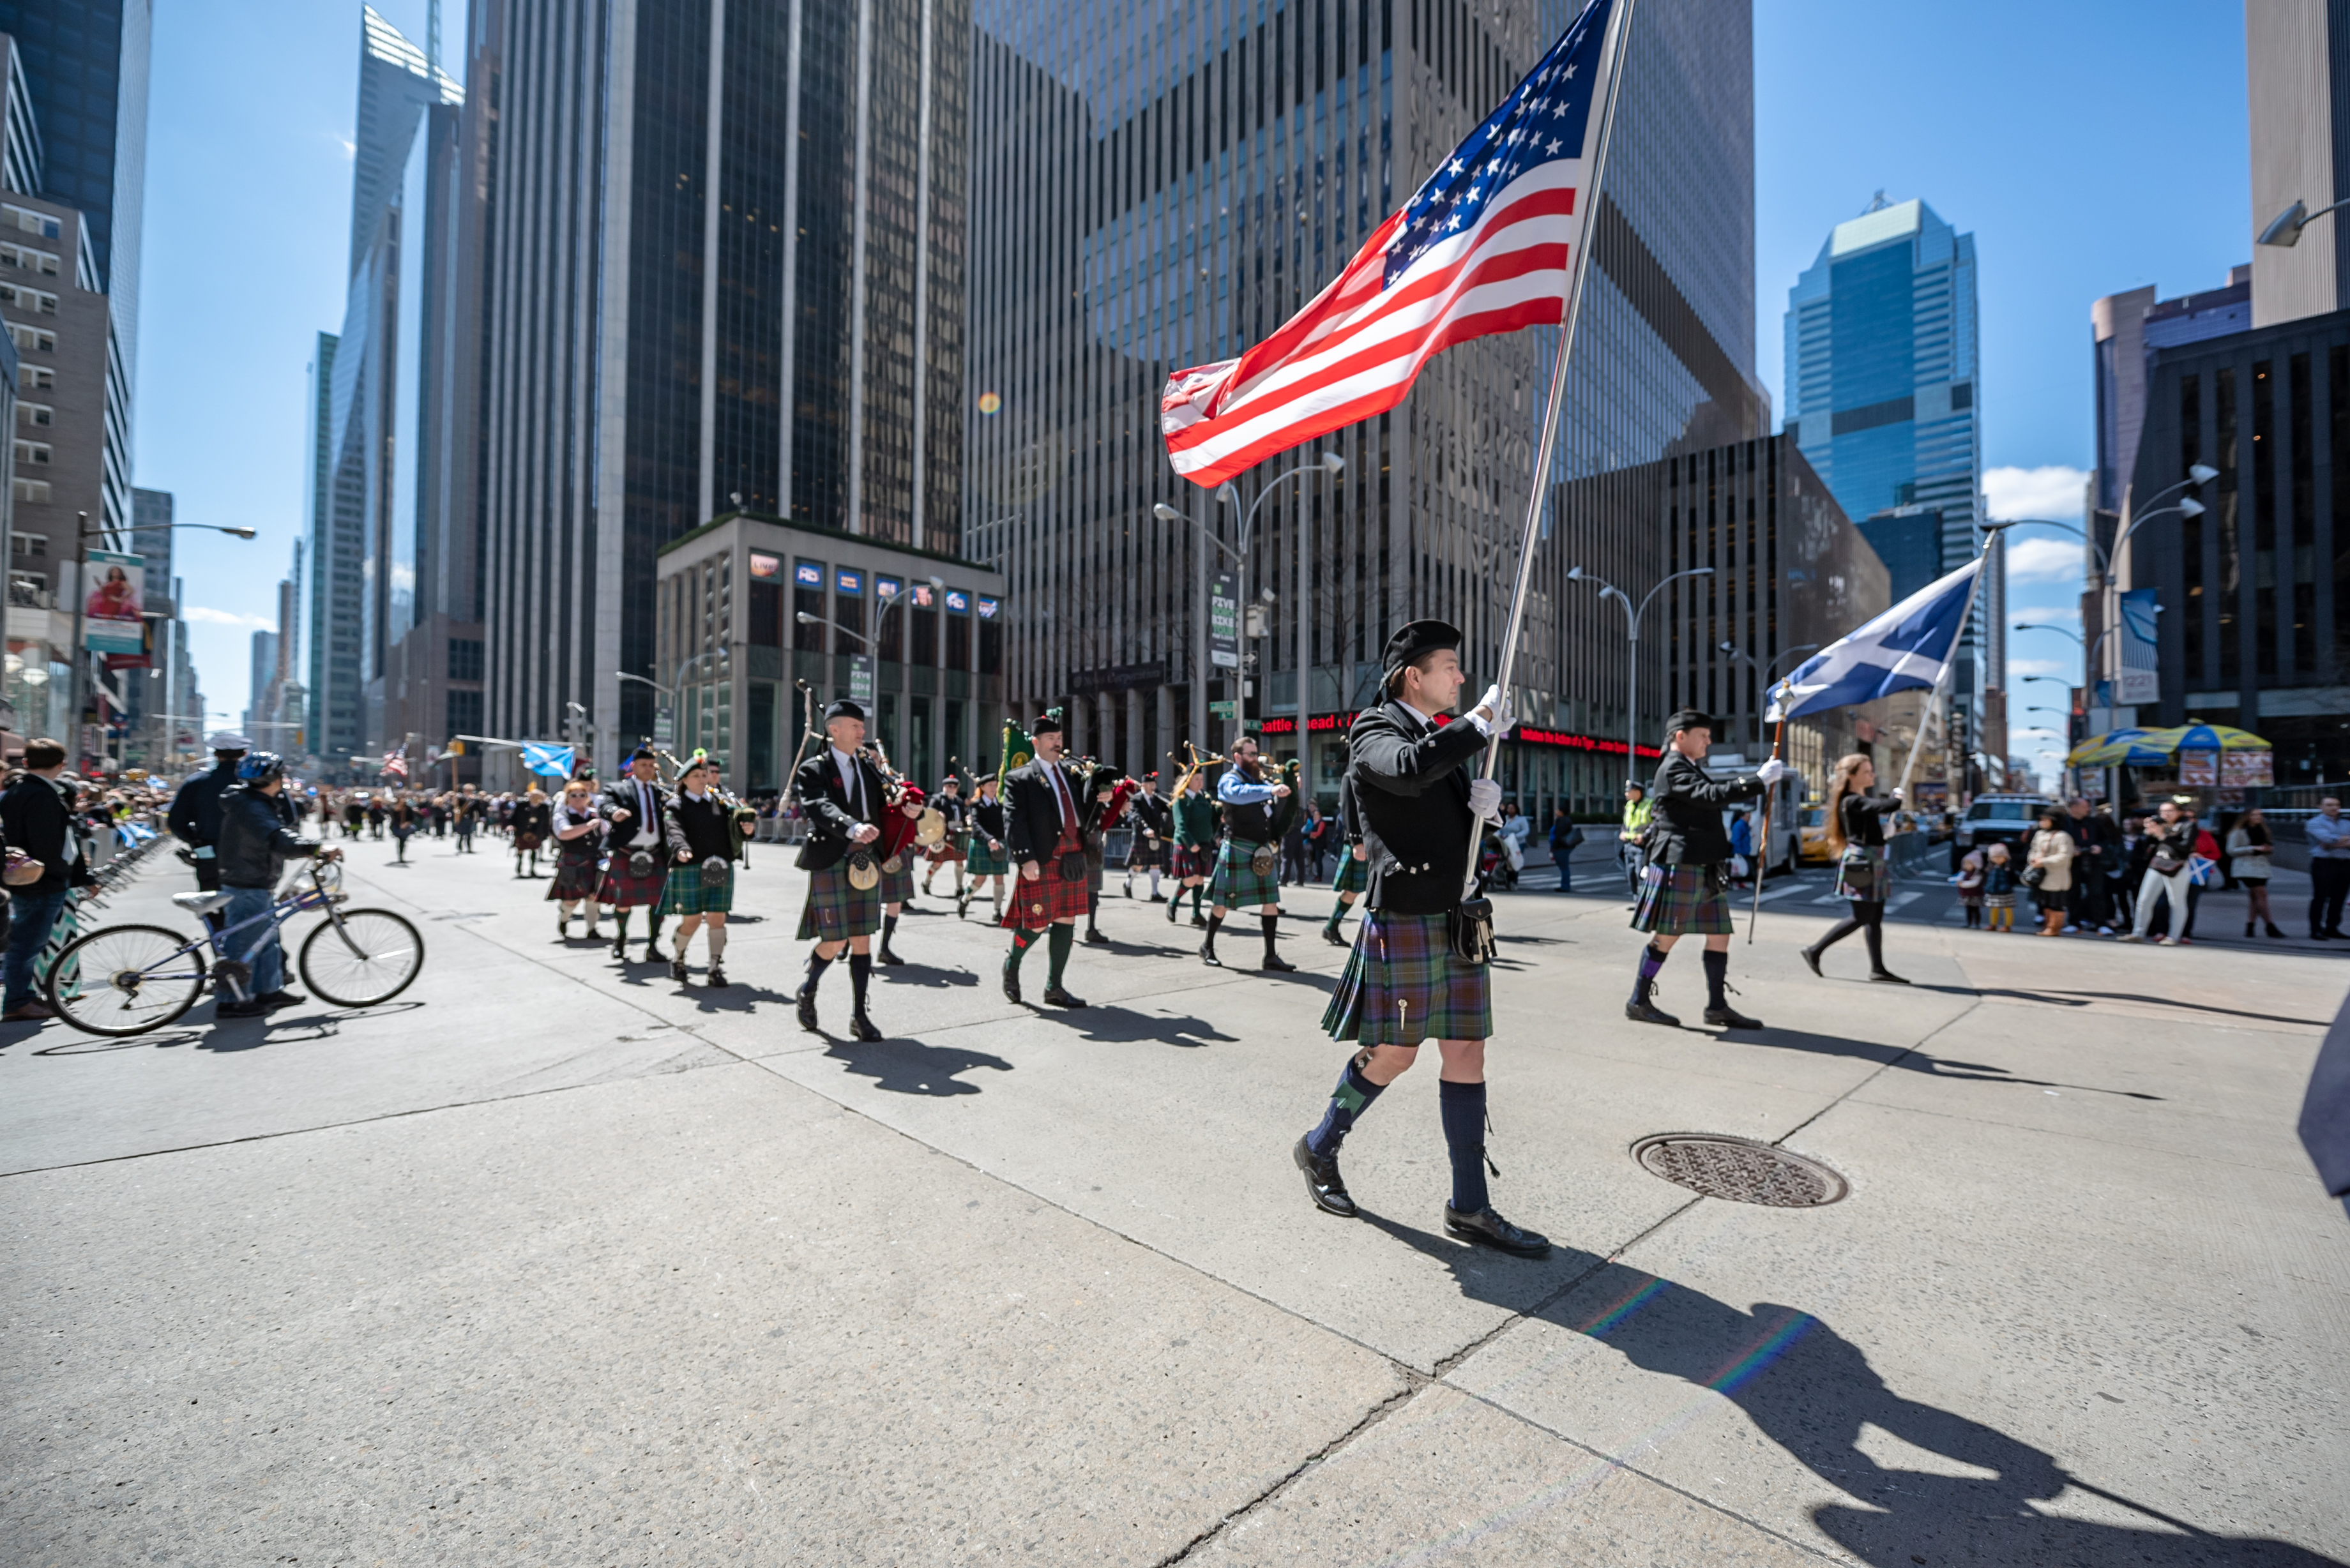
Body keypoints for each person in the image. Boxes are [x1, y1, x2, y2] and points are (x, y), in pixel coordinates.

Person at [1291, 617, 1548, 1256]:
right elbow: (1405, 773)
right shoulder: (1374, 728)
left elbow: (1433, 809)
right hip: (1406, 914)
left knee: (1467, 1053)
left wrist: (1477, 810)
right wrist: (1478, 724)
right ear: (1415, 675)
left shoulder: (1438, 735)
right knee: (1395, 1054)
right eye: (1450, 667)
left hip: (1456, 914)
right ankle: (1318, 1145)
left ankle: (1469, 1206)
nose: (1460, 677)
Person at [1625, 712, 1790, 1029]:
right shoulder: (1673, 767)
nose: (1709, 741)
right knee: (1668, 936)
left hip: (1702, 864)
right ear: (1680, 736)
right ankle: (1639, 1000)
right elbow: (1709, 797)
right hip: (1682, 862)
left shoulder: (1689, 766)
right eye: (1703, 735)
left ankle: (1717, 1007)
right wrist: (1757, 781)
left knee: (1720, 936)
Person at [1000, 709, 1119, 1007]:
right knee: (1037, 923)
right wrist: (1025, 858)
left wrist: (1101, 800)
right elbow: (1014, 821)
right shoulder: (1020, 778)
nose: (1057, 743)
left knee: (1067, 919)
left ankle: (1055, 987)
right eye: (1051, 738)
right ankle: (1012, 963)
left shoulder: (1071, 774)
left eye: (1060, 738)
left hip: (1073, 855)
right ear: (1036, 742)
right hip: (1042, 858)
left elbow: (1082, 813)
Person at [211, 751, 342, 1017]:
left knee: (267, 941)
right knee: (244, 943)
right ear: (274, 778)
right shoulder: (252, 806)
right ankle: (230, 1001)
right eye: (281, 775)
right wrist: (315, 849)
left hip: (256, 880)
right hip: (247, 882)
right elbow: (278, 838)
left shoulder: (255, 800)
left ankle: (269, 991)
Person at [792, 699, 890, 1039]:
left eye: (863, 726)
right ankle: (809, 987)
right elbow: (819, 805)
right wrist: (851, 826)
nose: (863, 732)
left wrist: (910, 810)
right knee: (835, 940)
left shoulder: (868, 768)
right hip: (833, 857)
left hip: (867, 860)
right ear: (834, 730)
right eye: (856, 726)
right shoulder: (813, 769)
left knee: (862, 937)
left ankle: (859, 1016)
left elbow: (884, 806)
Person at [0, 739, 93, 1021]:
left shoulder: (19, 792)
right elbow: (51, 844)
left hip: (27, 876)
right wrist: (67, 874)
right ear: (62, 764)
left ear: (26, 762)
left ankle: (23, 997)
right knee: (28, 943)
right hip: (42, 880)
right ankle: (18, 1000)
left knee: (26, 941)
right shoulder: (42, 795)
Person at [1798, 753, 1907, 983]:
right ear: (1852, 776)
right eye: (1867, 772)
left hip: (1872, 860)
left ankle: (1878, 968)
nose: (1872, 775)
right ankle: (1815, 950)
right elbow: (1882, 805)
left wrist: (1884, 832)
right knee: (1862, 915)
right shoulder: (1851, 800)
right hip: (1861, 863)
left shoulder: (1858, 799)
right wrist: (1896, 798)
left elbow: (1872, 815)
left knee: (1875, 918)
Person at [1201, 735, 1300, 972]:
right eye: (1251, 754)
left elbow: (1272, 808)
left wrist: (1287, 790)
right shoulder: (1229, 779)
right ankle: (1207, 946)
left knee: (1271, 902)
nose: (1257, 758)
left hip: (1261, 850)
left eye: (1257, 754)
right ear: (1237, 756)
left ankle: (1271, 956)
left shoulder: (1260, 781)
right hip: (1237, 847)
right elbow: (1237, 794)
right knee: (1222, 904)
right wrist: (1271, 789)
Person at [659, 753, 753, 986]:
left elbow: (735, 830)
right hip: (689, 867)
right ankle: (679, 958)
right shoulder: (675, 804)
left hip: (719, 867)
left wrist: (747, 829)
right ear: (684, 780)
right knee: (691, 921)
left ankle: (714, 967)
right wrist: (681, 849)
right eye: (697, 775)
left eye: (705, 775)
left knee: (717, 919)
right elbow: (674, 830)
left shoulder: (720, 803)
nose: (703, 779)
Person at [165, 731, 251, 936]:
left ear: (215, 753)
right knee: (251, 912)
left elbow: (176, 821)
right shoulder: (253, 784)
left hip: (209, 853)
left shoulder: (197, 782)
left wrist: (195, 841)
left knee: (214, 909)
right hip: (249, 857)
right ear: (243, 753)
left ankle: (222, 957)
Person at [598, 748, 675, 963]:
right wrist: (614, 812)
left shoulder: (662, 792)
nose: (648, 769)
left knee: (659, 903)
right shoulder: (617, 788)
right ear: (633, 767)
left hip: (655, 853)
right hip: (627, 853)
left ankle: (652, 946)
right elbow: (605, 805)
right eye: (644, 765)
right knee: (623, 903)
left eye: (652, 766)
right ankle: (621, 938)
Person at [547, 780, 610, 938]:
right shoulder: (562, 815)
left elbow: (608, 833)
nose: (578, 798)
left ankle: (592, 929)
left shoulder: (595, 814)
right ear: (568, 797)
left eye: (582, 795)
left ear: (588, 797)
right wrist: (589, 826)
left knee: (593, 898)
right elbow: (564, 833)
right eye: (573, 795)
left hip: (596, 860)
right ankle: (564, 918)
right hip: (573, 861)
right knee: (571, 901)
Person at [2119, 810, 2192, 944]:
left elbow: (2184, 848)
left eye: (2170, 810)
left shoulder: (2186, 826)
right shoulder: (2160, 825)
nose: (2166, 814)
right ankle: (2138, 933)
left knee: (2176, 902)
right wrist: (2149, 830)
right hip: (2157, 864)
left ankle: (2173, 937)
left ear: (2178, 812)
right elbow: (2146, 845)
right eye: (2163, 811)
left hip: (2177, 866)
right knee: (2144, 900)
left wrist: (2163, 836)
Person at [1322, 767, 1369, 946]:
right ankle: (1331, 926)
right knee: (1353, 891)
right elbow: (1348, 809)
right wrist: (1357, 842)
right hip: (1361, 843)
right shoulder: (1351, 776)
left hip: (1377, 841)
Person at [1164, 767, 1215, 928]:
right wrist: (1191, 843)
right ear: (1188, 782)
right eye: (1197, 779)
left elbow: (1209, 821)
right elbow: (1180, 825)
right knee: (1191, 879)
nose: (1200, 782)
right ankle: (1173, 903)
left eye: (1201, 779)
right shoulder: (1182, 799)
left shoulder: (1203, 798)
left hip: (1204, 844)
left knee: (1199, 879)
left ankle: (1196, 914)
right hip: (1187, 844)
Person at [2229, 807, 2284, 939]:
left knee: (2255, 898)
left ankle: (2250, 926)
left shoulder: (2264, 830)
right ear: (2247, 817)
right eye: (2254, 815)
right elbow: (2231, 850)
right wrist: (2253, 848)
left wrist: (2268, 849)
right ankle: (2270, 925)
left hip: (2261, 866)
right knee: (2262, 894)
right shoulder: (2239, 832)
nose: (2258, 817)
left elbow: (2268, 846)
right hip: (2246, 867)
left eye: (2260, 815)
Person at [962, 773, 1012, 923]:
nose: (993, 788)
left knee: (1000, 878)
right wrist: (989, 838)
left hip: (999, 844)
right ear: (982, 787)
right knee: (980, 880)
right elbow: (976, 824)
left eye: (995, 785)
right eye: (990, 785)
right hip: (982, 843)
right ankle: (965, 899)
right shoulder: (977, 804)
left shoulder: (1001, 805)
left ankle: (997, 912)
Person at [2024, 808, 2073, 937]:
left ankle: (2054, 928)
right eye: (2041, 819)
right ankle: (2048, 926)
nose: (2042, 822)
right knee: (2044, 902)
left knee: (2056, 903)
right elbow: (2033, 850)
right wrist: (2033, 860)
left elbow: (2065, 856)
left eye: (2045, 820)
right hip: (2042, 875)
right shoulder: (2039, 834)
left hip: (2057, 875)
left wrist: (2044, 861)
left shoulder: (2063, 836)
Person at [1122, 773, 1171, 901]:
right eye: (1151, 784)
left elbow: (1167, 809)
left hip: (1155, 835)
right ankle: (1127, 884)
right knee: (1139, 865)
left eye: (1154, 784)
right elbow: (1136, 815)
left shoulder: (1156, 799)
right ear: (1143, 785)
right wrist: (1145, 828)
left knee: (1156, 864)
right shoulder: (1137, 799)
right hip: (1142, 835)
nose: (1153, 786)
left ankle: (1155, 893)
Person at [921, 773, 969, 901]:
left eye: (954, 786)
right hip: (942, 835)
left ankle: (959, 887)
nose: (951, 788)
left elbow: (964, 816)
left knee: (960, 862)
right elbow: (929, 816)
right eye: (949, 786)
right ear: (944, 787)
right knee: (937, 863)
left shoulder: (959, 800)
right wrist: (938, 816)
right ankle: (926, 882)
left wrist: (967, 819)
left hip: (957, 835)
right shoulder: (937, 799)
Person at [2308, 797, 2350, 939]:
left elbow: (2329, 842)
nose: (2334, 808)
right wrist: (2342, 840)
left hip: (2344, 863)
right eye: (2329, 805)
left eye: (2337, 805)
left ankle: (2332, 927)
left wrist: (2334, 842)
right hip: (2324, 863)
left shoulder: (2346, 822)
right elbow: (2327, 839)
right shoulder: (2314, 823)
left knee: (2339, 897)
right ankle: (2316, 929)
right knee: (2320, 897)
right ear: (2320, 806)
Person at [1618, 780, 1653, 906]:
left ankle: (1642, 904)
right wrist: (1622, 832)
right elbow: (1625, 823)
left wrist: (1644, 836)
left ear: (1638, 792)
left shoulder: (1650, 804)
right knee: (1630, 875)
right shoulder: (1629, 805)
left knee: (1640, 875)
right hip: (1628, 846)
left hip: (1641, 847)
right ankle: (1636, 899)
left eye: (1629, 791)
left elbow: (1655, 823)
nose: (1626, 794)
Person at [511, 787, 551, 877]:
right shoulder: (522, 805)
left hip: (537, 832)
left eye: (538, 797)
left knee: (534, 850)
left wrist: (546, 833)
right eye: (533, 796)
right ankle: (520, 866)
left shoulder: (544, 807)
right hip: (523, 831)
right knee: (521, 849)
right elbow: (514, 817)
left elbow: (547, 822)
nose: (535, 799)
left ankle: (532, 869)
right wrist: (512, 826)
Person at [1982, 843, 2017, 933]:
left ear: (2006, 857)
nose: (1997, 859)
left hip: (2006, 892)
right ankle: (1993, 924)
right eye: (1995, 857)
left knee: (2007, 908)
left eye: (2000, 857)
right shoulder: (1989, 868)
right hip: (1993, 891)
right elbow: (1986, 879)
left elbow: (2013, 879)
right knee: (1993, 908)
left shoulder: (2009, 868)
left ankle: (2007, 926)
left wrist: (2009, 886)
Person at [1548, 804, 1582, 893]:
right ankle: (1565, 886)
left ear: (1561, 812)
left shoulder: (1563, 821)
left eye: (1558, 810)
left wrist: (1554, 848)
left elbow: (1559, 835)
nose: (1556, 812)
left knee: (1564, 868)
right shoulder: (1565, 820)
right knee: (1564, 867)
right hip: (1564, 846)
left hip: (1562, 847)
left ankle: (1565, 886)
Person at [1956, 848, 1985, 930]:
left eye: (1969, 864)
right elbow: (1958, 878)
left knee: (1976, 910)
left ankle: (1977, 923)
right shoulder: (1964, 872)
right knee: (1968, 909)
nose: (1966, 866)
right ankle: (1968, 923)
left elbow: (1975, 883)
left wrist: (1962, 884)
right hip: (1966, 894)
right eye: (1965, 864)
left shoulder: (1978, 874)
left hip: (1975, 894)